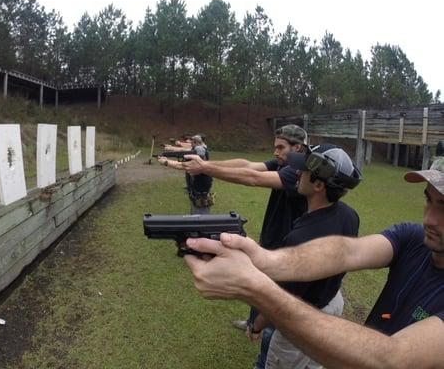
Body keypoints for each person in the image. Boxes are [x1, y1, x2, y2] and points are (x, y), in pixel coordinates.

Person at [184, 157, 444, 368]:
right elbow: (346, 252)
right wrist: (264, 260)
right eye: (428, 200)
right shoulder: (414, 237)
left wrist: (256, 288)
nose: (430, 219)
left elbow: (393, 359)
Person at [183, 124, 308, 368]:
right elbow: (248, 165)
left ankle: (264, 335)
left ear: (298, 148)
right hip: (271, 239)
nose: (276, 152)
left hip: (287, 246)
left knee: (275, 297)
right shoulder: (284, 163)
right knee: (257, 284)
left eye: (280, 148)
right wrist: (206, 162)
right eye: (275, 147)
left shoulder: (299, 170)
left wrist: (205, 167)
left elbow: (253, 179)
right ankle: (253, 324)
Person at [248, 144, 361, 368]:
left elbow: (282, 304)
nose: (297, 173)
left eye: (304, 171)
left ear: (318, 184)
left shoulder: (301, 237)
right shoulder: (350, 216)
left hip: (302, 320)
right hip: (332, 305)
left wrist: (257, 324)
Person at [158, 135, 213, 214]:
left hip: (201, 193)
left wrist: (166, 162)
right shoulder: (198, 149)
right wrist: (170, 148)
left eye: (191, 142)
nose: (190, 143)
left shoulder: (199, 150)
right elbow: (182, 149)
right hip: (198, 190)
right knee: (196, 214)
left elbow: (181, 165)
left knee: (199, 219)